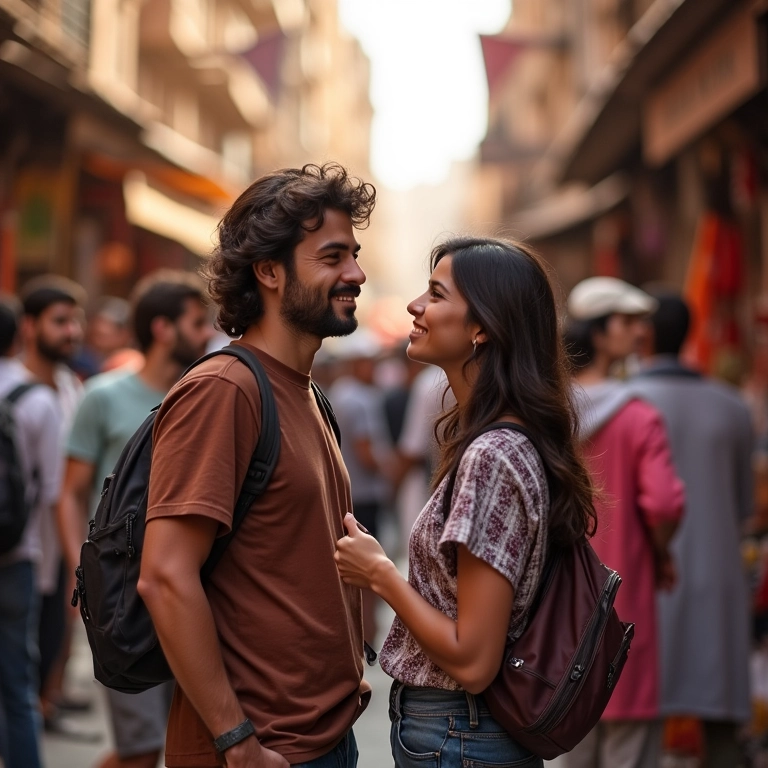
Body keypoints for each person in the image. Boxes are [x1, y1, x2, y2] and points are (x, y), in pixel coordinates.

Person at [137, 163, 376, 768]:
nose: (356, 273)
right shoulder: (225, 390)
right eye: (332, 256)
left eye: (354, 253)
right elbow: (165, 576)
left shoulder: (305, 391)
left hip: (322, 737)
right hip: (260, 750)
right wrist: (235, 739)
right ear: (269, 272)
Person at [334, 236, 598, 768]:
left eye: (435, 294)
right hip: (462, 732)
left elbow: (474, 660)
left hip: (459, 731)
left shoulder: (493, 454)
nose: (415, 306)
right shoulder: (500, 438)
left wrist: (381, 575)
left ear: (482, 328)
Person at [58, 270, 214, 768]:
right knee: (141, 749)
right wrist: (76, 571)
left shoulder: (207, 395)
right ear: (164, 328)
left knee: (185, 742)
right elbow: (69, 493)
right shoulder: (102, 396)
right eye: (196, 322)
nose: (207, 331)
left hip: (191, 588)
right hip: (125, 592)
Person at [555, 277, 685, 768]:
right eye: (627, 323)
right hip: (626, 603)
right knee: (630, 747)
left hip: (564, 608)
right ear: (599, 333)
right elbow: (666, 504)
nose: (638, 334)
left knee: (573, 744)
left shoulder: (551, 414)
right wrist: (659, 548)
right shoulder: (638, 416)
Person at [630, 291, 752, 767]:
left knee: (636, 726)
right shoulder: (733, 407)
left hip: (641, 576)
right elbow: (744, 505)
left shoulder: (620, 404)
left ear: (645, 334)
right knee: (719, 722)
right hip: (718, 576)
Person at [18, 275, 86, 732]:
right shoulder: (14, 390)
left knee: (50, 640)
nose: (72, 332)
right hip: (19, 549)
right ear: (29, 326)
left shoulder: (70, 388)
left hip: (60, 548)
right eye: (60, 321)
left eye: (75, 322)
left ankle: (48, 702)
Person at [0, 296, 62, 768]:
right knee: (19, 688)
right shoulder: (39, 397)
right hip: (17, 555)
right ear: (19, 334)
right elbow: (52, 490)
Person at [329, 330, 393, 643]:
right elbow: (366, 452)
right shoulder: (360, 399)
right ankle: (368, 634)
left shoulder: (339, 393)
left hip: (347, 493)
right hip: (365, 493)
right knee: (369, 568)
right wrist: (390, 471)